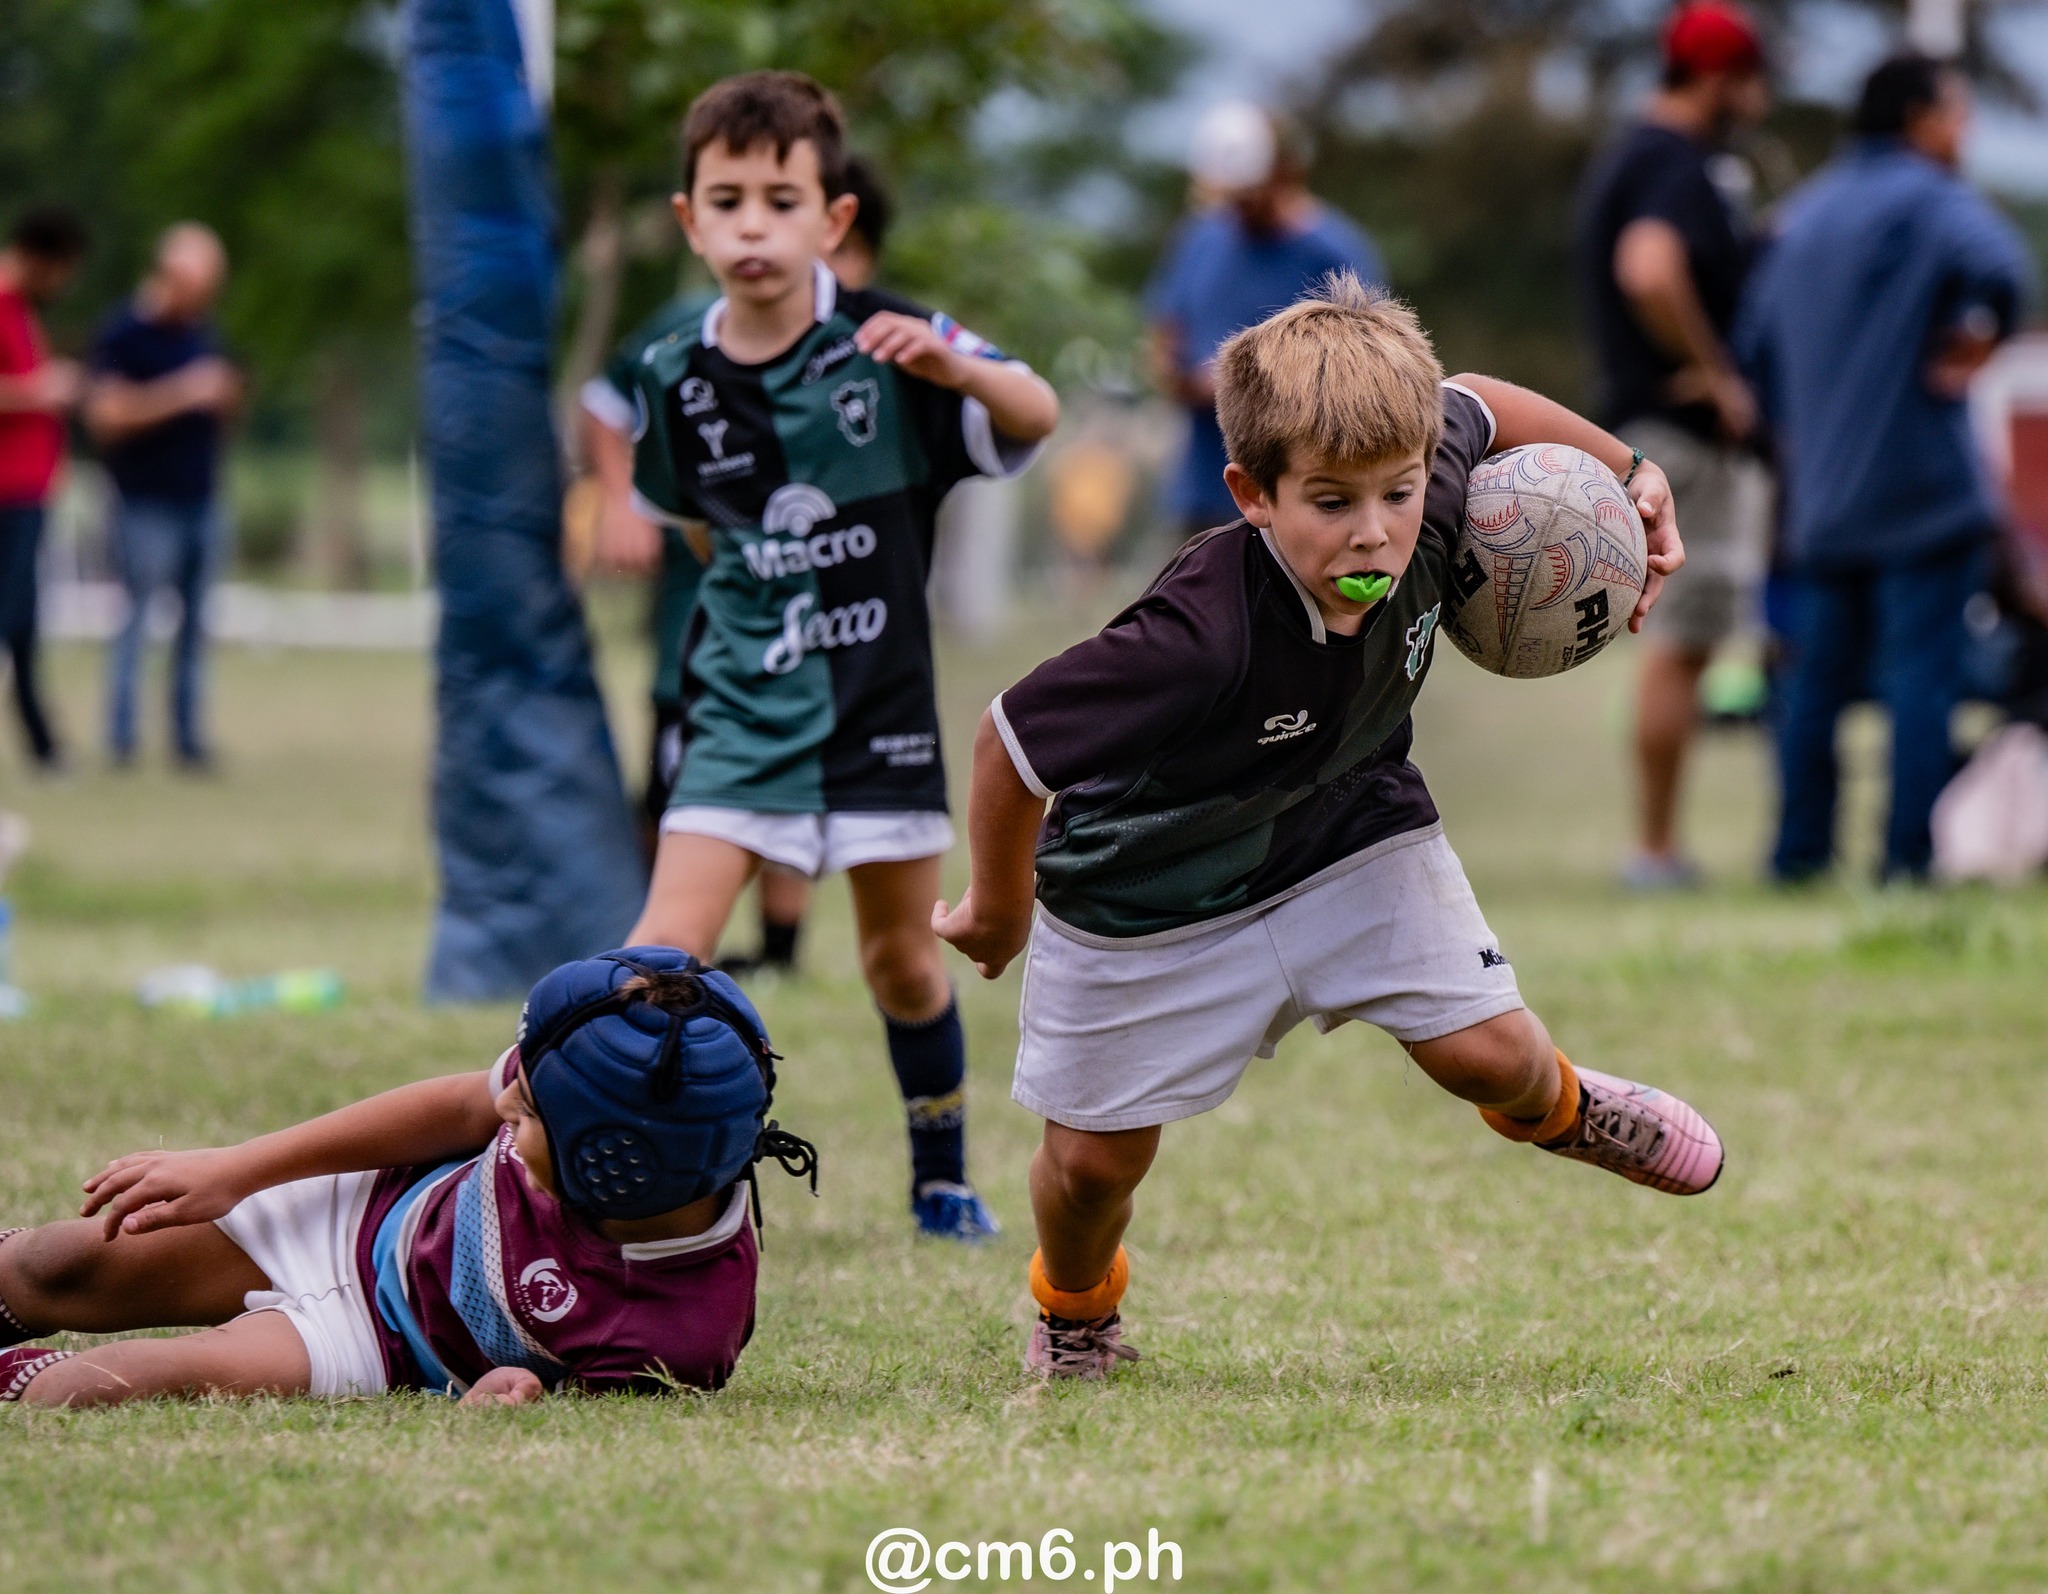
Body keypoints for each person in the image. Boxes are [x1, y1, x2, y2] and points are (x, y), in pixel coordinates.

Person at [934, 275, 1721, 1378]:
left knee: (1492, 1054)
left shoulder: (1425, 482)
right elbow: (1007, 742)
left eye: (1397, 495)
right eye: (1331, 501)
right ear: (1251, 494)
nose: (1376, 531)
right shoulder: (1195, 633)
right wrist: (997, 904)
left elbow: (1477, 401)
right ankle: (1074, 1313)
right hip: (1144, 893)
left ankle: (1569, 1107)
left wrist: (1634, 475)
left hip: (1348, 826)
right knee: (1091, 1170)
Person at [616, 73, 1058, 1241]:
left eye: (780, 197)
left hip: (880, 716)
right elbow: (701, 526)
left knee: (900, 966)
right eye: (726, 200)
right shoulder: (670, 376)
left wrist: (955, 367)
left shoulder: (890, 344)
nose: (751, 225)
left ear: (833, 219)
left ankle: (940, 1174)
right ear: (689, 220)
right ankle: (640, 1191)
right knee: (654, 964)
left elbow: (1037, 409)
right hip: (739, 717)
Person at [0, 949, 817, 1406]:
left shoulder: (684, 1328)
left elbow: (594, 1423)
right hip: (368, 1211)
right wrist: (238, 1170)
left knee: (78, 1392)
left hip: (379, 1345)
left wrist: (510, 1403)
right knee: (52, 1266)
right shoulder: (587, 1081)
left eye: (525, 1113)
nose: (501, 1102)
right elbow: (456, 1106)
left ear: (610, 1174)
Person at [580, 154, 898, 974]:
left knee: (802, 779)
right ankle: (669, 945)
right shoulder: (686, 337)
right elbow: (605, 408)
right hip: (708, 617)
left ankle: (778, 952)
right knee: (685, 773)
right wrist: (622, 502)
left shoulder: (872, 351)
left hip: (828, 628)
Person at [1738, 54, 2032, 883]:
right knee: (1920, 682)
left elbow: (1751, 352)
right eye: (1958, 113)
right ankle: (1906, 860)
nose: (1964, 131)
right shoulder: (1930, 197)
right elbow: (2005, 269)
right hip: (1923, 496)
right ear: (1919, 119)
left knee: (1815, 687)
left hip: (1823, 504)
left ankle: (1799, 856)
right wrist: (1982, 339)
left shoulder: (1799, 216)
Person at [1576, 0, 1773, 889]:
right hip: (1677, 440)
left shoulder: (1632, 154)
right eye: (1749, 82)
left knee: (1683, 648)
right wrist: (1719, 372)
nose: (1759, 102)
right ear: (1716, 78)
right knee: (1683, 646)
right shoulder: (1676, 163)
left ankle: (1655, 844)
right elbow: (1650, 267)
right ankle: (1654, 851)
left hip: (1646, 427)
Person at [1147, 101, 1384, 541]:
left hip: (1298, 503)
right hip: (1205, 492)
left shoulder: (1336, 255)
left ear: (1285, 173)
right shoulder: (1201, 240)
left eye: (1248, 195)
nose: (1238, 210)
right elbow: (1165, 335)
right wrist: (1177, 376)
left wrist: (1245, 385)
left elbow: (1362, 380)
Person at [85, 223, 239, 771]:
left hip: (202, 496)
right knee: (137, 619)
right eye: (198, 286)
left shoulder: (202, 332)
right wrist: (182, 393)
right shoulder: (123, 333)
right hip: (143, 500)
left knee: (196, 626)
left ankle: (188, 739)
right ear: (171, 276)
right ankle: (122, 738)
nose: (204, 299)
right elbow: (105, 415)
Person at [0, 207, 88, 775]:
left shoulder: (24, 311)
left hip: (31, 486)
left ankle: (43, 744)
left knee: (26, 619)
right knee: (9, 614)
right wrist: (42, 389)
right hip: (6, 489)